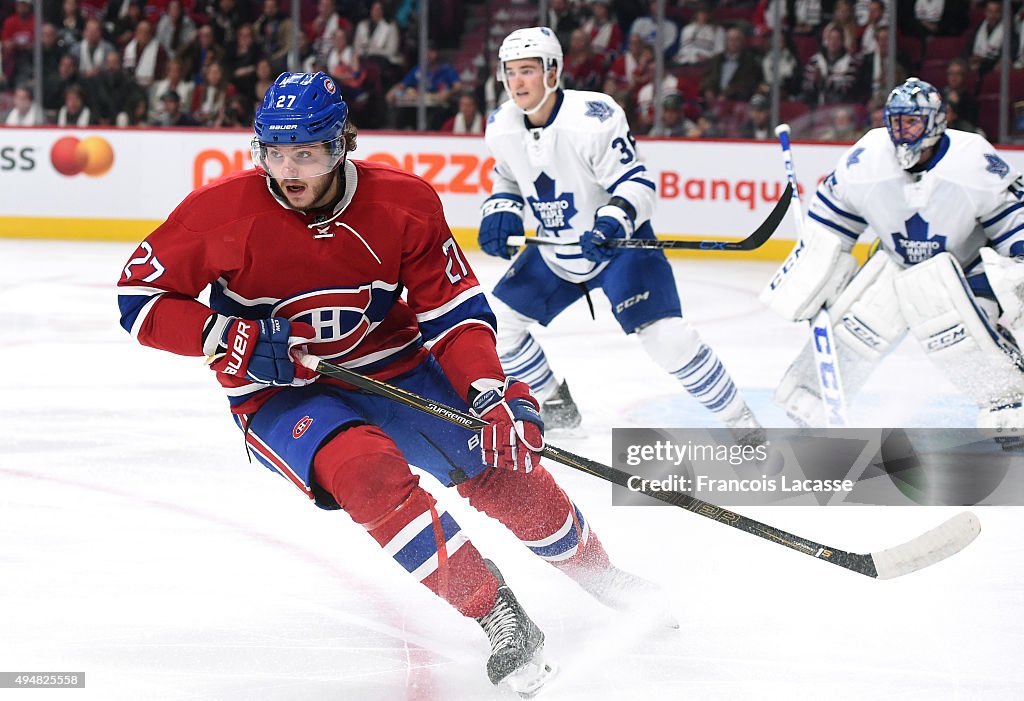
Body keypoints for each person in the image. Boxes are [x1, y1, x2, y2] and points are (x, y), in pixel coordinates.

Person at [117, 70, 669, 697]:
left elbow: (455, 314)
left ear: (342, 145)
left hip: (395, 363)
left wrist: (490, 393)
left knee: (505, 467)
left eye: (308, 151)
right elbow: (138, 299)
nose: (288, 168)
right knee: (368, 475)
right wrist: (228, 336)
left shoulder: (403, 204)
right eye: (274, 150)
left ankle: (605, 579)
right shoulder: (217, 211)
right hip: (280, 394)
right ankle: (496, 613)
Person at [479, 27, 762, 434]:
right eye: (511, 72)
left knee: (667, 338)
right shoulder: (501, 125)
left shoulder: (594, 117)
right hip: (555, 250)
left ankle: (743, 425)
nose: (517, 81)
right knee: (497, 326)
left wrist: (611, 220)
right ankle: (555, 403)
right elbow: (506, 177)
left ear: (553, 73)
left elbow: (637, 183)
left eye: (528, 70)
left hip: (616, 249)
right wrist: (500, 208)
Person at [760, 78, 1024, 434]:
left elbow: (1012, 220)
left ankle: (1009, 403)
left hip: (965, 272)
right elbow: (832, 217)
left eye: (912, 121)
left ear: (936, 123)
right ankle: (812, 398)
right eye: (896, 121)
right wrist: (814, 270)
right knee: (858, 325)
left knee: (958, 332)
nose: (902, 131)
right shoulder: (868, 157)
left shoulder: (972, 160)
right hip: (897, 266)